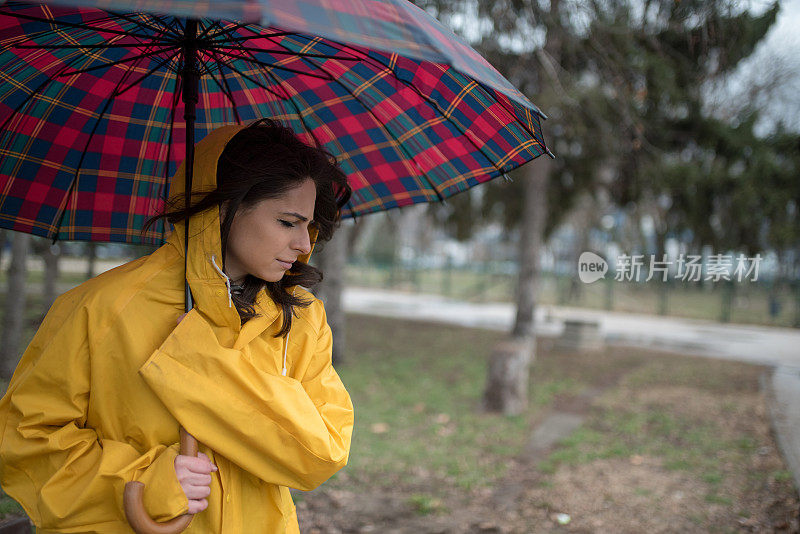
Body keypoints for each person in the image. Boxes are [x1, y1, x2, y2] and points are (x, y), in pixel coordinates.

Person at [0, 119, 355, 533]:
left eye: (308, 226)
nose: (304, 245)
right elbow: (25, 444)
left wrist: (204, 368)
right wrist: (146, 482)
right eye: (287, 222)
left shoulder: (301, 317)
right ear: (224, 206)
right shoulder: (98, 308)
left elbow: (323, 453)